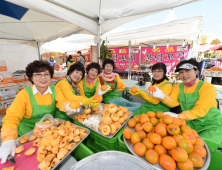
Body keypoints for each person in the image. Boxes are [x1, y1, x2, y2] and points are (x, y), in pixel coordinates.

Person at [0, 60, 79, 164]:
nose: (43, 78)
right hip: (27, 135)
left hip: (47, 133)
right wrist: (8, 139)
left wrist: (67, 106)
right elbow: (11, 117)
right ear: (31, 77)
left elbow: (62, 103)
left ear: (50, 77)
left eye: (46, 74)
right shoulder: (24, 95)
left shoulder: (55, 90)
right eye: (38, 75)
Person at [149, 58, 222, 144]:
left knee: (204, 147)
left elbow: (200, 110)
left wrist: (178, 116)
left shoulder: (207, 87)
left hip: (210, 125)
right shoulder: (178, 87)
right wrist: (162, 96)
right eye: (181, 72)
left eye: (187, 71)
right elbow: (173, 102)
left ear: (196, 71)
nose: (184, 75)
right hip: (190, 124)